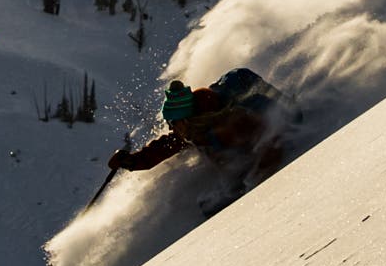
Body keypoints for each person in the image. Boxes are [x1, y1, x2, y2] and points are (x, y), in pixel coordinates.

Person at [108, 71, 292, 187]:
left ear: (186, 118)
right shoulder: (191, 130)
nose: (172, 128)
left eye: (174, 123)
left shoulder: (232, 119)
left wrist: (256, 176)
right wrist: (131, 162)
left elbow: (270, 140)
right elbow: (163, 148)